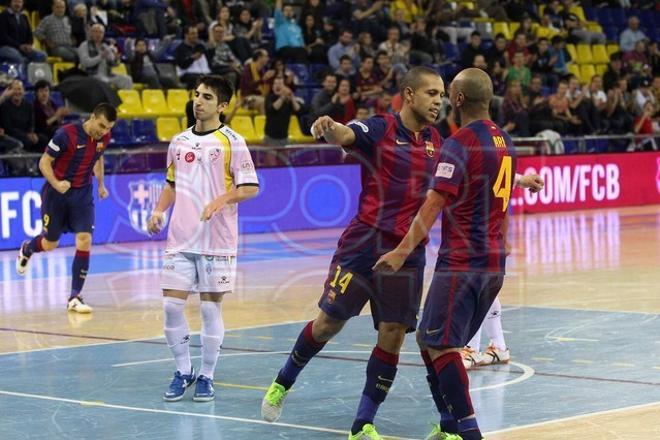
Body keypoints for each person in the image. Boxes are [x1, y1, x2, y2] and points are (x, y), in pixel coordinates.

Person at [260, 66, 446, 440]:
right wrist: (329, 126)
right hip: (364, 244)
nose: (438, 102)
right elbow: (345, 133)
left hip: (408, 252)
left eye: (442, 94)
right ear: (409, 95)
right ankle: (283, 381)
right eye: (431, 94)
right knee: (329, 323)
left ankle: (362, 424)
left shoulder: (436, 141)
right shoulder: (380, 129)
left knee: (393, 334)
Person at [373, 68, 517, 440]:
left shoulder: (459, 143)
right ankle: (449, 425)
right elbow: (504, 201)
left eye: (446, 93)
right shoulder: (504, 140)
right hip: (492, 261)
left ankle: (467, 431)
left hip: (462, 262)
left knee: (439, 345)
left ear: (458, 99)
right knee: (428, 338)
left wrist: (402, 252)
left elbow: (434, 203)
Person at [146, 75, 259, 403]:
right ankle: (183, 370)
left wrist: (219, 201)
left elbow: (250, 187)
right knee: (170, 306)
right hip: (180, 238)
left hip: (217, 241)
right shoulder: (179, 141)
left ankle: (207, 375)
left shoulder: (233, 141)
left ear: (222, 106)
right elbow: (171, 184)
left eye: (207, 97)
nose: (198, 101)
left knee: (210, 311)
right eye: (197, 95)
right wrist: (158, 212)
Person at [15, 103, 117, 314]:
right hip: (56, 194)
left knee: (84, 239)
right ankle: (27, 249)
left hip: (82, 195)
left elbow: (98, 158)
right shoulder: (66, 134)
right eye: (101, 125)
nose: (104, 131)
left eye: (108, 128)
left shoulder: (103, 138)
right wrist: (56, 183)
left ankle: (74, 296)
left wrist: (101, 184)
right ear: (92, 116)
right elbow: (44, 162)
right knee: (50, 243)